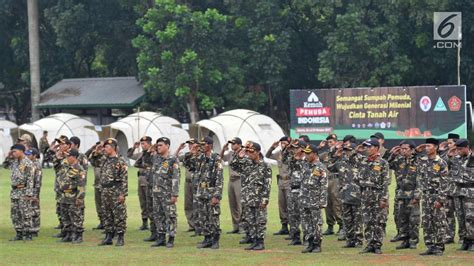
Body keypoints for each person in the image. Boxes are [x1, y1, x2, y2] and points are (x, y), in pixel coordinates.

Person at [231, 142, 272, 251]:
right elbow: (233, 165)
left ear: (258, 152)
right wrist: (239, 155)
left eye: (251, 151)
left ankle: (260, 242)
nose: (249, 154)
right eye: (248, 151)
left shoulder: (265, 166)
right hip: (247, 198)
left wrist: (265, 199)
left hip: (259, 198)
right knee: (250, 220)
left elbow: (267, 184)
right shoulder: (246, 163)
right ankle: (254, 241)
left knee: (260, 221)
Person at [355, 138, 389, 254]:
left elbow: (385, 182)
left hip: (377, 194)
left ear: (376, 148)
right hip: (365, 194)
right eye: (366, 147)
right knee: (367, 220)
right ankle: (369, 244)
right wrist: (357, 150)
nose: (367, 149)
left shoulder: (383, 163)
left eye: (370, 147)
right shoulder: (363, 161)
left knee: (378, 221)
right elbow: (357, 178)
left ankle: (377, 245)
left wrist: (383, 198)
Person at [92, 138, 128, 247]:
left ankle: (120, 237)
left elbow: (124, 179)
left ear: (113, 148)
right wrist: (96, 151)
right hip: (105, 191)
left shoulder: (120, 161)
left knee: (119, 214)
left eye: (107, 147)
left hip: (115, 191)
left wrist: (123, 194)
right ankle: (108, 236)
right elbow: (93, 161)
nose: (104, 149)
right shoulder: (104, 159)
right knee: (106, 214)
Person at [417, 138, 449, 256]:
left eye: (429, 146)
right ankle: (430, 246)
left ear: (435, 147)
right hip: (426, 196)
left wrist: (440, 199)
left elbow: (445, 182)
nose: (426, 148)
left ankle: (439, 247)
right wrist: (417, 150)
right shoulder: (422, 161)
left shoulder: (441, 162)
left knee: (438, 221)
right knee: (427, 222)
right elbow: (410, 159)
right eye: (425, 146)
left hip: (436, 195)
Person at [387, 140, 420, 249]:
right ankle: (405, 239)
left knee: (413, 219)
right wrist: (393, 154)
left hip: (412, 194)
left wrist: (417, 195)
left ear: (412, 150)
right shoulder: (399, 160)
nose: (403, 151)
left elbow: (421, 180)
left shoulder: (418, 161)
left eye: (406, 149)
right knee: (402, 218)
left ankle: (413, 240)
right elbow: (387, 164)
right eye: (401, 148)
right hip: (400, 194)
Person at [330, 142, 363, 248]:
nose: (346, 152)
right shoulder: (341, 162)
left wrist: (355, 153)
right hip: (344, 195)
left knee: (357, 219)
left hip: (357, 195)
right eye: (346, 150)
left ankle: (358, 240)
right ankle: (350, 240)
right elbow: (330, 167)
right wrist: (335, 156)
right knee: (347, 219)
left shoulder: (360, 161)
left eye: (349, 150)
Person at [193, 137, 224, 249]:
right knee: (203, 217)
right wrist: (194, 151)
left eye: (204, 144)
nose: (201, 146)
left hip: (211, 192)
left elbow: (219, 178)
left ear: (210, 145)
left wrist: (217, 195)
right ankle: (207, 238)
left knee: (213, 217)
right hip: (201, 192)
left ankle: (215, 240)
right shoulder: (200, 158)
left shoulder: (216, 158)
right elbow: (188, 164)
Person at [150, 137, 180, 248]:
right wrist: (155, 146)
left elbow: (176, 177)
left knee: (170, 216)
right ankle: (161, 238)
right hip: (156, 192)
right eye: (157, 145)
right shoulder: (156, 159)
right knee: (158, 216)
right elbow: (149, 152)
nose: (158, 147)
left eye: (161, 145)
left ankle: (171, 238)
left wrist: (175, 194)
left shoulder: (173, 159)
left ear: (167, 146)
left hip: (167, 193)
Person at [447, 139, 474, 251]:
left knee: (471, 218)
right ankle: (464, 240)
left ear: (467, 147)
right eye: (457, 149)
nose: (458, 151)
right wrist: (451, 151)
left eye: (461, 149)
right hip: (457, 192)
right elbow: (443, 163)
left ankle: (472, 241)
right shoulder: (455, 159)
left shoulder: (472, 158)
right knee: (461, 217)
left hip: (470, 191)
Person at [300, 144, 328, 253]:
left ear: (315, 154)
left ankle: (317, 244)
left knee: (316, 223)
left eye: (308, 153)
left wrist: (322, 201)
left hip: (315, 200)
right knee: (306, 223)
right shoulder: (305, 165)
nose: (306, 155)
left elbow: (324, 185)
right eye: (305, 153)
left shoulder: (320, 167)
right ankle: (309, 243)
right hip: (304, 199)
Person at [57, 149, 87, 244]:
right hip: (64, 196)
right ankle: (68, 234)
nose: (67, 158)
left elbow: (81, 185)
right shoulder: (65, 167)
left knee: (76, 216)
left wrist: (79, 198)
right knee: (65, 216)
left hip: (74, 196)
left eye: (68, 156)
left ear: (74, 157)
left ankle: (78, 235)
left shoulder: (79, 169)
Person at [127, 136, 154, 234]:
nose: (142, 145)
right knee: (142, 202)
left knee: (150, 202)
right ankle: (144, 223)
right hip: (141, 179)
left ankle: (153, 224)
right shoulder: (141, 154)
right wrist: (134, 147)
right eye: (141, 144)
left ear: (150, 144)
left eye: (144, 143)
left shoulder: (153, 154)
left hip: (149, 180)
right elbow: (129, 155)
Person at [8, 144, 35, 241]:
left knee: (25, 213)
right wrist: (9, 155)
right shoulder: (15, 162)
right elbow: (6, 165)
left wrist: (29, 194)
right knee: (15, 213)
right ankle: (19, 233)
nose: (13, 153)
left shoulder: (28, 163)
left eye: (15, 151)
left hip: (24, 191)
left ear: (21, 151)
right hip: (15, 191)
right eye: (13, 152)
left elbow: (30, 179)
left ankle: (28, 234)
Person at [265, 136, 291, 236]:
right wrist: (272, 147)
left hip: (289, 182)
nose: (283, 144)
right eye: (282, 143)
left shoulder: (292, 153)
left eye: (285, 143)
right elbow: (268, 156)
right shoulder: (278, 153)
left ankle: (293, 228)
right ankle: (284, 226)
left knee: (290, 206)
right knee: (282, 205)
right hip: (280, 182)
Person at [319, 134, 343, 237]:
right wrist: (319, 147)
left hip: (335, 180)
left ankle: (342, 225)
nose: (330, 144)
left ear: (336, 142)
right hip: (326, 181)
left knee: (336, 202)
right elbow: (313, 155)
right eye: (328, 142)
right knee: (327, 203)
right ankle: (330, 226)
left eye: (331, 142)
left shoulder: (340, 153)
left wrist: (336, 150)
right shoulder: (325, 154)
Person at [439, 133, 461, 244]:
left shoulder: (462, 155)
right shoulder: (445, 155)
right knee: (448, 214)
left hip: (459, 191)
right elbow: (440, 164)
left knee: (461, 214)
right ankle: (449, 236)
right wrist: (446, 153)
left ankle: (463, 237)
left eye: (450, 143)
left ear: (456, 143)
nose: (449, 145)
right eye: (447, 143)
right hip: (448, 190)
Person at [220, 137, 243, 234]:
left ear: (239, 144)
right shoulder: (230, 154)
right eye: (231, 144)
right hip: (231, 180)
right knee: (232, 204)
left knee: (240, 204)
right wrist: (223, 149)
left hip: (239, 179)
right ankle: (235, 226)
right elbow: (220, 158)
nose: (232, 145)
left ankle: (243, 227)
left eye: (234, 144)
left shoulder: (243, 153)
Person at [175, 138, 199, 233]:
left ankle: (198, 226)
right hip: (188, 182)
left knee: (197, 204)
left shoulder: (200, 155)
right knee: (188, 204)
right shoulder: (187, 155)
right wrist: (179, 149)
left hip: (197, 183)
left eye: (192, 144)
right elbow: (174, 158)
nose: (190, 146)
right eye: (189, 144)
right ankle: (191, 225)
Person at [286, 139, 307, 245]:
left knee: (304, 215)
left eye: (296, 148)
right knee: (292, 215)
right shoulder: (292, 159)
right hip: (293, 190)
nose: (294, 150)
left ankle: (308, 238)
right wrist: (290, 149)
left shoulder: (308, 159)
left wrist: (301, 159)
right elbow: (285, 158)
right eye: (293, 148)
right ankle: (295, 237)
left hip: (303, 191)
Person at [87, 142, 106, 230]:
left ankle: (107, 223)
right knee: (98, 204)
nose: (100, 148)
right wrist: (93, 149)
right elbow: (87, 157)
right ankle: (102, 222)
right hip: (97, 184)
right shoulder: (96, 157)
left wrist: (101, 151)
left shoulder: (107, 156)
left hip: (105, 185)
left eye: (102, 147)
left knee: (105, 204)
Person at [25, 148, 42, 237]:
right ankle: (30, 228)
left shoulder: (36, 165)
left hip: (34, 190)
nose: (27, 156)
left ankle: (35, 230)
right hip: (28, 190)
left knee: (35, 210)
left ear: (35, 156)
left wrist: (35, 195)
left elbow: (37, 181)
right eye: (26, 154)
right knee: (29, 209)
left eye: (29, 155)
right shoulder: (29, 164)